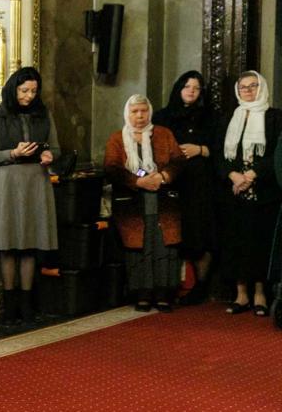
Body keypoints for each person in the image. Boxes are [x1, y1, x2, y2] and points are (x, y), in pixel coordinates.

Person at [0, 67, 59, 322]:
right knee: (9, 245)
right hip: (7, 182)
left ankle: (26, 304)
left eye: (34, 91)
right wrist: (13, 153)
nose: (29, 96)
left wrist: (49, 155)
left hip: (35, 181)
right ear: (13, 89)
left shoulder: (43, 114)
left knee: (29, 245)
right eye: (24, 91)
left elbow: (56, 147)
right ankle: (9, 302)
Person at [105, 96, 184, 312]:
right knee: (139, 247)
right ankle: (142, 293)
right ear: (127, 114)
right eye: (134, 112)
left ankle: (163, 293)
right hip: (133, 204)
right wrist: (138, 181)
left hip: (163, 200)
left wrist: (163, 177)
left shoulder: (164, 134)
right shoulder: (117, 139)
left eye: (143, 111)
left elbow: (178, 161)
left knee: (163, 245)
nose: (140, 116)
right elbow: (112, 168)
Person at [153, 71, 219, 303]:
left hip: (201, 185)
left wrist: (200, 149)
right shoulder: (163, 116)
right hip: (173, 183)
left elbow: (222, 149)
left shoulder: (211, 117)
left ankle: (200, 287)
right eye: (187, 86)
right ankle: (171, 285)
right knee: (174, 234)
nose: (191, 91)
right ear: (178, 88)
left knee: (201, 234)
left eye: (197, 87)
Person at [219, 71, 281, 315]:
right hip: (234, 192)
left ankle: (260, 294)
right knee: (237, 242)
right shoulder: (228, 119)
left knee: (260, 242)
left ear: (261, 87)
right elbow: (218, 154)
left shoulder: (275, 117)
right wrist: (234, 175)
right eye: (243, 87)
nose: (248, 91)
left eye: (253, 86)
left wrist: (254, 174)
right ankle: (240, 293)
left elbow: (277, 153)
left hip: (264, 192)